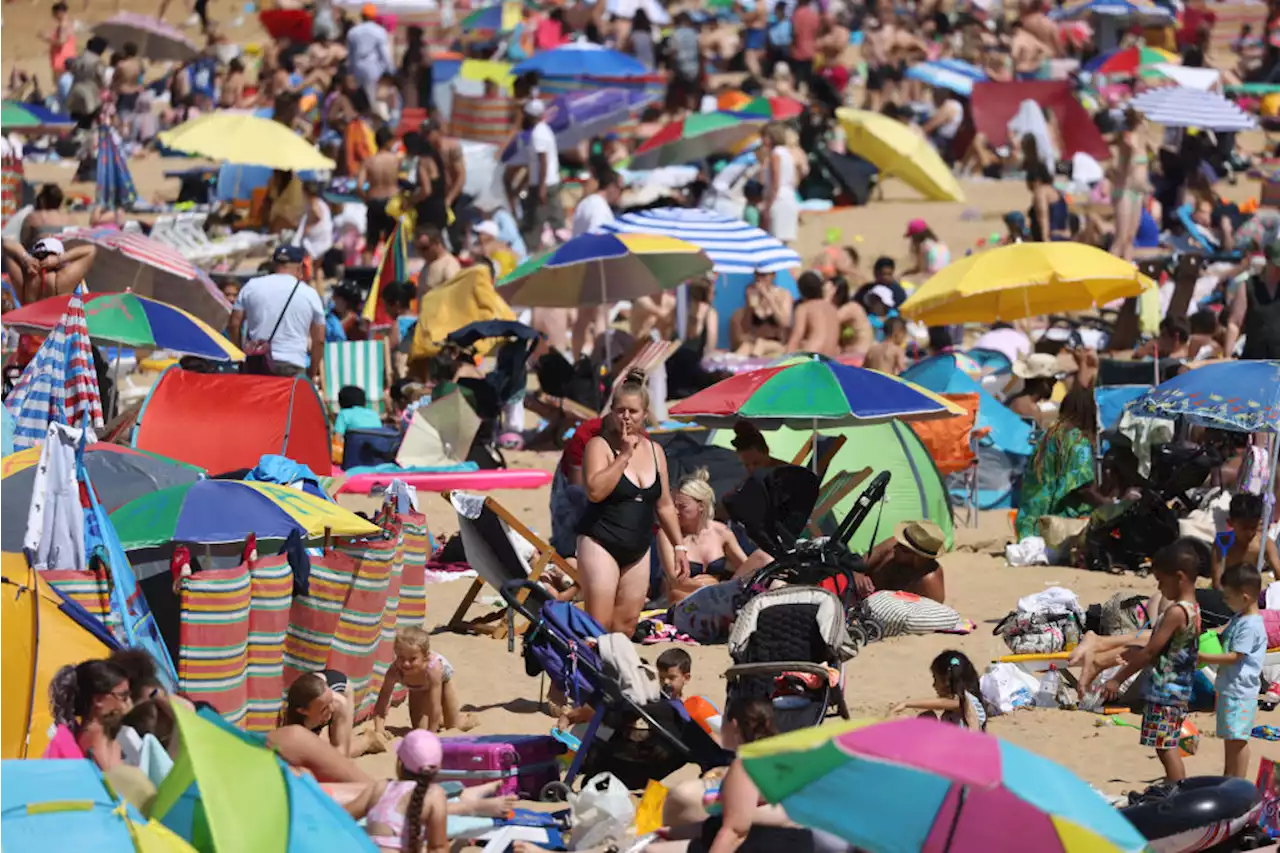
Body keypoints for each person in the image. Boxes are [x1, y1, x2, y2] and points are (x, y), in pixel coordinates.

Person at [577, 370, 689, 635]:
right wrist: (623, 456)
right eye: (620, 410)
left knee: (626, 625)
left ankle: (614, 674)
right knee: (599, 624)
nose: (626, 417)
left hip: (638, 547)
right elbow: (594, 491)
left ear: (645, 413)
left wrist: (680, 546)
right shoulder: (599, 446)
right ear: (612, 413)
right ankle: (590, 673)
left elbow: (663, 505)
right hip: (600, 541)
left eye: (633, 411)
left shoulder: (655, 451)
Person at [1101, 539, 1203, 783]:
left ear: (1180, 577)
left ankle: (1175, 789)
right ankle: (1172, 786)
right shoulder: (1194, 609)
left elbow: (1150, 652)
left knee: (1165, 747)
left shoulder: (1177, 612)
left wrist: (1117, 679)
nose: (1159, 586)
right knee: (1165, 744)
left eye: (1161, 580)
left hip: (1166, 691)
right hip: (1178, 689)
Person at [1199, 565, 1266, 778]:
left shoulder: (1251, 625)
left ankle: (1238, 780)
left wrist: (1204, 658)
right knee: (1230, 737)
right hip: (1230, 687)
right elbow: (1223, 635)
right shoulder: (1239, 617)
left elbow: (1236, 656)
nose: (1225, 602)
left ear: (1245, 597)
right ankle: (1229, 776)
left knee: (1238, 739)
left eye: (1228, 597)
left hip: (1240, 690)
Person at [1015, 385, 1104, 540]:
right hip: (1053, 528)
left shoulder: (1048, 434)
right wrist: (1109, 504)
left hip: (1028, 525)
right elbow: (1082, 487)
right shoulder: (1076, 441)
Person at [228, 244, 325, 380]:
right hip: (292, 363)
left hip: (257, 363)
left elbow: (234, 324)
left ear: (274, 264)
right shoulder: (309, 294)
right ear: (299, 267)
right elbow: (319, 339)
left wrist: (239, 357)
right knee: (289, 402)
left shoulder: (251, 286)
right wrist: (312, 372)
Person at [371, 627, 476, 751]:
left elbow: (435, 706)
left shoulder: (433, 669)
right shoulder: (394, 671)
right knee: (419, 730)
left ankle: (468, 720)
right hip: (416, 688)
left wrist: (431, 736)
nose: (405, 664)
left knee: (453, 727)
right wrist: (379, 728)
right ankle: (440, 720)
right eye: (401, 658)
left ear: (425, 656)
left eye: (412, 659)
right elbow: (382, 700)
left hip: (441, 680)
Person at [344, 730, 449, 853]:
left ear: (399, 763)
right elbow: (438, 848)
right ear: (438, 768)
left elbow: (339, 815)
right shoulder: (435, 795)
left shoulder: (380, 788)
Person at [659, 468, 751, 603]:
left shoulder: (721, 532)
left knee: (761, 557)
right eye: (673, 506)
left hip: (716, 601)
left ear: (701, 506)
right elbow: (675, 580)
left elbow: (747, 569)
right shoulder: (667, 534)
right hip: (683, 602)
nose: (676, 512)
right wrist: (713, 587)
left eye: (682, 506)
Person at [46, 659, 132, 769]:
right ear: (98, 700)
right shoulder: (95, 734)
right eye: (123, 696)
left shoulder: (92, 731)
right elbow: (113, 778)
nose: (128, 702)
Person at [279, 669, 372, 758]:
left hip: (341, 689)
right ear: (303, 711)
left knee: (339, 757)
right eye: (324, 709)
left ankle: (368, 740)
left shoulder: (338, 703)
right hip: (312, 702)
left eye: (330, 703)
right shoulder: (285, 715)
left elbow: (341, 755)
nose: (331, 709)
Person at [891, 650, 987, 730]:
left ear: (947, 682)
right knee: (927, 716)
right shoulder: (966, 701)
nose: (934, 685)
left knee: (903, 721)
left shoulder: (965, 701)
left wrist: (906, 703)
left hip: (957, 749)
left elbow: (946, 703)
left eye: (936, 679)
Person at [865, 520, 947, 603]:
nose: (894, 548)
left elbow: (927, 614)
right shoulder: (896, 544)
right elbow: (861, 562)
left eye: (901, 547)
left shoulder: (929, 584)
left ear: (917, 557)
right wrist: (858, 574)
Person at [1223, 242, 1280, 359]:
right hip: (1255, 356)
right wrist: (1227, 354)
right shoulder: (1249, 286)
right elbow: (1235, 322)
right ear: (1268, 261)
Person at [520, 99, 564, 251]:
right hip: (549, 181)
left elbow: (543, 161)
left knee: (534, 223)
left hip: (542, 184)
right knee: (556, 220)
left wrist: (541, 188)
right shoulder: (545, 129)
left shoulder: (538, 133)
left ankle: (530, 253)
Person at [1, 235, 96, 305]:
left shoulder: (25, 281)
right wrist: (60, 259)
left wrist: (26, 259)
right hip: (56, 328)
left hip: (30, 329)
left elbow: (6, 243)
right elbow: (91, 250)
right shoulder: (61, 279)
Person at [1213, 492, 1280, 586]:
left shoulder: (1264, 543)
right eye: (1244, 528)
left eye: (1253, 527)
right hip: (1229, 591)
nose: (1249, 533)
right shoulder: (1223, 542)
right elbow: (1217, 581)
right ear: (1230, 523)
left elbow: (1278, 574)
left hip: (1252, 591)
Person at [1111, 108, 1152, 262]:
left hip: (1138, 192)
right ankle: (1106, 275)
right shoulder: (1128, 140)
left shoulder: (1143, 141)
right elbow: (1126, 171)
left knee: (1130, 238)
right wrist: (1132, 153)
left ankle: (1127, 275)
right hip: (1125, 191)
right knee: (1120, 239)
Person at [359, 126, 402, 263]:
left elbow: (359, 186)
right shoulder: (396, 160)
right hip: (392, 202)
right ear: (388, 141)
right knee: (393, 244)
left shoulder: (369, 161)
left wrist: (367, 199)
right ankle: (392, 278)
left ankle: (364, 278)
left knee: (371, 244)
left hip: (374, 200)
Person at [729, 268, 791, 357]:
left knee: (761, 344)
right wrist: (750, 308)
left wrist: (769, 298)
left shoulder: (783, 294)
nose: (759, 278)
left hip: (776, 342)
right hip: (755, 339)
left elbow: (785, 323)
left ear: (773, 276)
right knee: (745, 347)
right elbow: (746, 328)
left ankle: (753, 367)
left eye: (763, 275)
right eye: (757, 275)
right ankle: (732, 369)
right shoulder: (752, 293)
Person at [347, 3, 394, 103]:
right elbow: (384, 53)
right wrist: (390, 69)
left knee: (360, 95)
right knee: (372, 96)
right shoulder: (379, 31)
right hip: (373, 67)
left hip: (357, 66)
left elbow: (350, 54)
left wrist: (350, 70)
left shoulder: (353, 31)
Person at [761, 123, 800, 245]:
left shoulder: (775, 155)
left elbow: (775, 183)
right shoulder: (788, 154)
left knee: (774, 241)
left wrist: (768, 205)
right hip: (790, 197)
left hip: (779, 199)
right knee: (784, 243)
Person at [786, 271, 840, 356]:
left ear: (801, 291)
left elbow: (796, 338)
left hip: (812, 357)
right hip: (830, 359)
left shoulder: (804, 308)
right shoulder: (832, 308)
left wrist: (784, 363)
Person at [1005, 352, 1059, 427]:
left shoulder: (1013, 398)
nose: (1054, 385)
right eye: (1053, 381)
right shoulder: (1031, 409)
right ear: (1043, 382)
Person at [414, 224, 461, 299]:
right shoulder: (429, 263)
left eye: (425, 248)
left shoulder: (449, 264)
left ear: (437, 243)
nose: (421, 253)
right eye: (418, 249)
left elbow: (455, 294)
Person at [1027, 162, 1070, 242]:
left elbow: (1043, 217)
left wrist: (1045, 239)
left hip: (1050, 239)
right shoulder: (1056, 192)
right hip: (1063, 237)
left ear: (1036, 180)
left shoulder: (1040, 192)